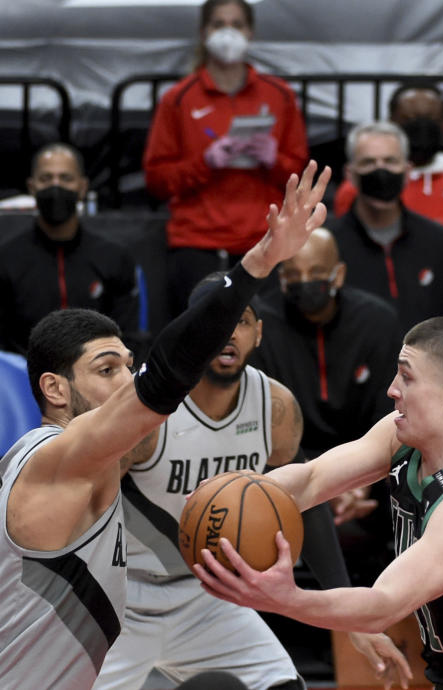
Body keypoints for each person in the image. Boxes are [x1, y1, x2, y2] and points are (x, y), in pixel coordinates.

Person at [0, 160, 331, 689]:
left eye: (129, 367)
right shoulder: (57, 456)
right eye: (107, 371)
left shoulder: (108, 454)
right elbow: (166, 376)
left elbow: (312, 480)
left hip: (178, 608)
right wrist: (259, 263)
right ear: (56, 390)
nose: (126, 381)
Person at [194, 317, 443, 690]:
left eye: (407, 377)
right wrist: (238, 489)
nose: (391, 390)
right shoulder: (403, 435)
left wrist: (287, 600)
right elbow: (311, 479)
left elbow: (383, 603)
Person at [95, 272, 410, 690]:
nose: (227, 333)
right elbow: (87, 507)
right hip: (124, 598)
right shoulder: (148, 411)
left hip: (209, 597)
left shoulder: (275, 407)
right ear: (190, 330)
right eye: (214, 321)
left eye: (240, 321)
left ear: (259, 333)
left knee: (283, 685)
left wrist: (348, 618)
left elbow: (307, 505)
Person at [250, 228, 401, 584]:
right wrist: (324, 483)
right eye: (293, 274)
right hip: (286, 466)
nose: (305, 282)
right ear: (281, 278)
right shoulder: (263, 326)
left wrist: (358, 481)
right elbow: (262, 423)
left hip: (368, 471)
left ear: (339, 274)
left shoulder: (377, 322)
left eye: (317, 273)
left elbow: (392, 417)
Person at [143, 0, 308, 317]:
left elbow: (301, 174)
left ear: (250, 32)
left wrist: (274, 160)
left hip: (265, 241)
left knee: (265, 343)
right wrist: (206, 163)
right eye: (219, 24)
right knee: (198, 344)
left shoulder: (280, 94)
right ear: (204, 33)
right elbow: (156, 180)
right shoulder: (178, 99)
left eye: (236, 24)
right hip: (197, 243)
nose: (228, 34)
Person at [333, 82, 443, 316]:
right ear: (393, 122)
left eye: (431, 117)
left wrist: (418, 229)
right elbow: (355, 223)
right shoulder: (361, 182)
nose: (421, 124)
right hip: (376, 300)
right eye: (410, 117)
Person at [326, 121, 443, 333]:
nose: (380, 170)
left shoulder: (439, 242)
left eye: (390, 161)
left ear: (408, 171)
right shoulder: (328, 243)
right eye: (368, 162)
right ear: (350, 174)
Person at [0, 143, 140, 355]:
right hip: (21, 380)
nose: (56, 186)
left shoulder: (114, 257)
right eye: (46, 179)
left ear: (82, 187)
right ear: (32, 187)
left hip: (98, 379)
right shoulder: (6, 259)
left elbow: (128, 339)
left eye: (66, 178)